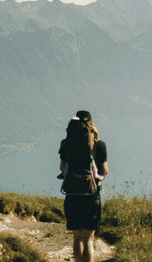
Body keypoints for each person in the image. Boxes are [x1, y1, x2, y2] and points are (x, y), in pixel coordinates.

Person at [59, 111, 108, 262]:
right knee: (88, 240)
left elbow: (62, 167)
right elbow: (104, 171)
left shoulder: (66, 143)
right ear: (91, 124)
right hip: (91, 196)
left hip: (72, 195)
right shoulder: (99, 145)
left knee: (77, 238)